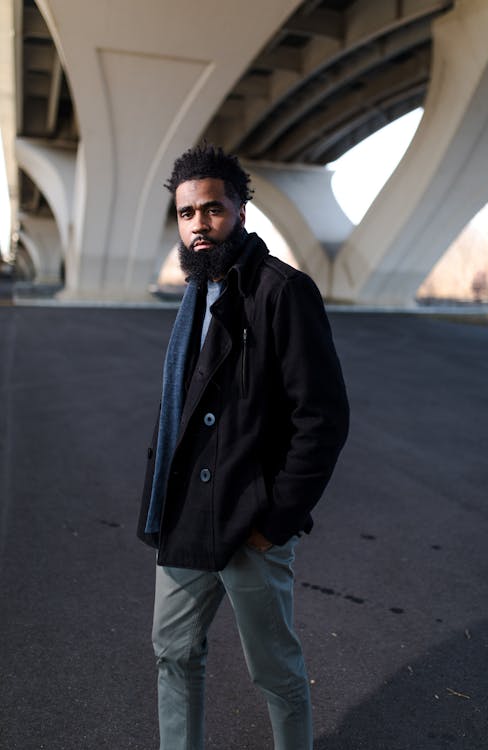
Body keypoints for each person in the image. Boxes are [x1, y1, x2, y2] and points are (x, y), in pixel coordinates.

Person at [137, 144, 349, 750]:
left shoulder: (283, 292)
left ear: (241, 211)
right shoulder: (194, 295)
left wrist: (276, 516)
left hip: (248, 520)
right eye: (185, 214)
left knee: (275, 672)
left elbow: (324, 416)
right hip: (182, 516)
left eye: (212, 210)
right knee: (173, 655)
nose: (198, 225)